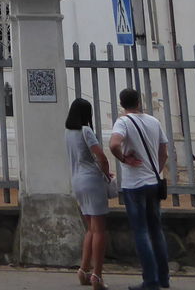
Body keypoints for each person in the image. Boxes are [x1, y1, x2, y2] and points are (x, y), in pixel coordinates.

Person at [109, 88, 169, 290]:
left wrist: (124, 159)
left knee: (141, 231)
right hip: (154, 181)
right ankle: (163, 278)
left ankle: (150, 281)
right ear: (139, 101)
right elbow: (164, 151)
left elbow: (114, 144)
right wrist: (156, 170)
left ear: (122, 103)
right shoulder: (154, 121)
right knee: (156, 229)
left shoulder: (123, 122)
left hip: (134, 184)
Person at [66, 97, 115, 290]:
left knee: (90, 228)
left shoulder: (68, 133)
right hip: (92, 181)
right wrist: (106, 173)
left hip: (77, 180)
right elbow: (101, 156)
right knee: (100, 230)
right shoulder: (86, 131)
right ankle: (97, 275)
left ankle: (84, 269)